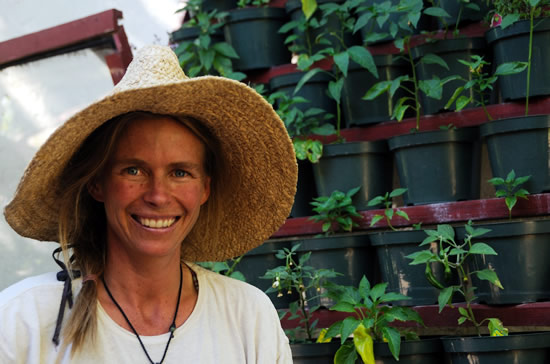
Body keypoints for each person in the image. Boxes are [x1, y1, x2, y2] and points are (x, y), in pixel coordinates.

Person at [0, 45, 297, 363]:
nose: (157, 195)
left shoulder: (247, 317)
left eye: (180, 173)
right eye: (134, 170)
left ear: (205, 189)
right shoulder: (22, 319)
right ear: (97, 183)